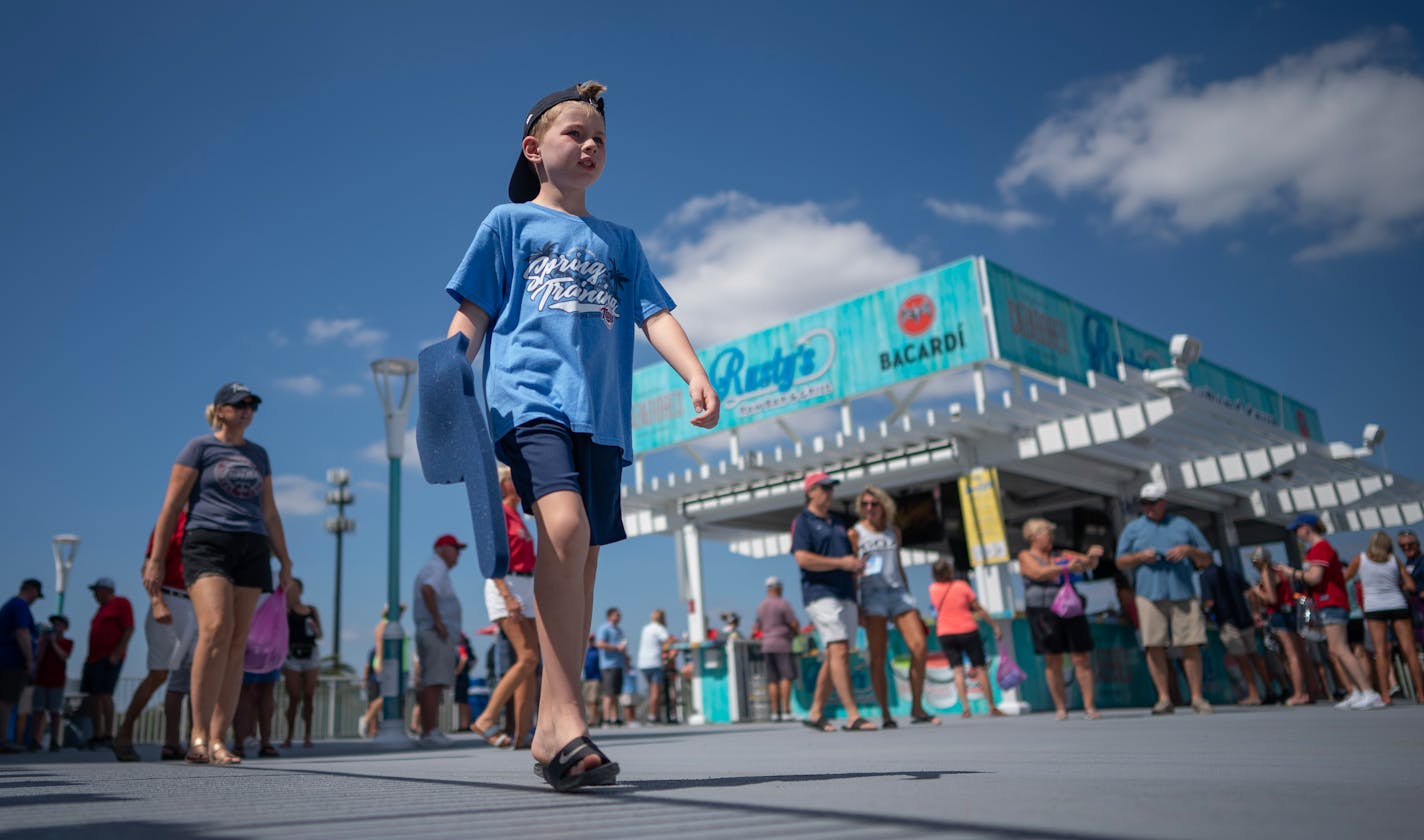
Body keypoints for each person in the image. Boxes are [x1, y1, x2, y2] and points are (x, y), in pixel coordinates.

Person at [441, 80, 719, 791]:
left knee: (583, 560)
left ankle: (552, 728)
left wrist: (694, 372)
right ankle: (566, 719)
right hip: (530, 401)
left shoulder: (620, 241)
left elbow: (654, 314)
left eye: (599, 138)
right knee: (562, 529)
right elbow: (474, 310)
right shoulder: (509, 223)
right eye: (576, 134)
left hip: (602, 417)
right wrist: (449, 371)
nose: (590, 146)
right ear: (535, 149)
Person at [145, 381, 294, 765]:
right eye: (238, 404)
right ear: (220, 410)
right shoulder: (199, 448)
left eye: (251, 405)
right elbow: (172, 504)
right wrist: (157, 559)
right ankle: (196, 736)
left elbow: (270, 512)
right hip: (207, 541)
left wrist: (286, 562)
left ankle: (217, 739)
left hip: (252, 545)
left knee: (236, 641)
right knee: (215, 628)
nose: (246, 410)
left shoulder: (259, 455)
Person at [1114, 482, 1214, 715]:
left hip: (1183, 592)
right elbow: (1120, 561)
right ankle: (1163, 698)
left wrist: (1188, 551)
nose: (1148, 508)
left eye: (1152, 503)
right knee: (1153, 645)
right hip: (1148, 594)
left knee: (1190, 644)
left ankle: (1197, 697)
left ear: (1163, 503)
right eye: (1144, 503)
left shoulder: (1183, 526)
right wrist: (1139, 556)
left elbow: (1207, 559)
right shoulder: (1133, 528)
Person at [793, 471, 875, 732]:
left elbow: (848, 561)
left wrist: (854, 573)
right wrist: (842, 563)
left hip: (846, 595)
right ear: (810, 491)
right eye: (824, 487)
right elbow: (803, 559)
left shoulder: (838, 523)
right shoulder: (803, 522)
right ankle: (853, 715)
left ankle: (815, 712)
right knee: (838, 650)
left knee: (834, 655)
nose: (829, 492)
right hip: (820, 594)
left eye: (831, 487)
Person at [1275, 513, 1383, 710]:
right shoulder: (1314, 550)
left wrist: (1293, 573)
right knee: (1335, 650)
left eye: (1298, 529)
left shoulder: (1320, 548)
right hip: (1325, 603)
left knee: (1341, 648)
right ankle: (1357, 691)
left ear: (1306, 528)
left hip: (1332, 602)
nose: (1297, 534)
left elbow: (1315, 577)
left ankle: (1368, 691)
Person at [114, 512, 198, 761]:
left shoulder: (210, 519)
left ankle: (197, 741)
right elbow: (149, 564)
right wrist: (156, 601)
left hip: (199, 602)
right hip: (170, 600)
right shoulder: (172, 520)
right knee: (159, 674)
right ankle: (124, 732)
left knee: (200, 676)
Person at [850, 485, 936, 727]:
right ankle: (886, 713)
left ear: (884, 505)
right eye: (864, 504)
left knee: (919, 646)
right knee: (878, 656)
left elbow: (898, 565)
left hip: (897, 591)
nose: (869, 508)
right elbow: (853, 570)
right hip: (872, 593)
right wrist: (857, 604)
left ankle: (917, 707)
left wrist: (910, 597)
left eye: (873, 504)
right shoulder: (855, 533)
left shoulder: (893, 532)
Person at [471, 465, 540, 750]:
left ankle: (523, 734)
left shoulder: (520, 516)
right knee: (528, 657)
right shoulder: (498, 513)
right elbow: (492, 558)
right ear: (503, 483)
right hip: (506, 584)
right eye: (513, 476)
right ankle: (486, 718)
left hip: (525, 584)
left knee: (531, 664)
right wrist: (507, 595)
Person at [1019, 518, 1103, 720]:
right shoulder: (1025, 556)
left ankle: (1089, 706)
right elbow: (1038, 573)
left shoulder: (1061, 554)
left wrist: (1092, 556)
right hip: (1043, 610)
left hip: (1070, 609)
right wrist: (1066, 568)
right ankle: (1060, 707)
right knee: (1052, 658)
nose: (1051, 537)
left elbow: (1085, 564)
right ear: (1033, 536)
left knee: (1080, 656)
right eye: (1047, 533)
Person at [1344, 531, 1424, 705]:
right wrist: (1396, 582)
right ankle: (1422, 693)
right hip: (1397, 603)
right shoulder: (1395, 560)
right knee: (1410, 650)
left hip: (1375, 607)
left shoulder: (1361, 559)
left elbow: (1345, 578)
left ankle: (1386, 695)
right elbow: (1411, 586)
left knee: (1381, 652)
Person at [927, 560, 1004, 719]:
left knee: (957, 670)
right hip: (967, 629)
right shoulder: (961, 586)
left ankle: (965, 707)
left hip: (945, 632)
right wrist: (994, 625)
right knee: (980, 668)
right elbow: (978, 608)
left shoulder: (933, 589)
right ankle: (991, 706)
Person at [413, 534, 464, 748]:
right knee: (434, 683)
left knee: (432, 682)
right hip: (435, 633)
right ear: (442, 549)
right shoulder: (438, 568)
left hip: (432, 631)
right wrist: (439, 621)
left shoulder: (434, 567)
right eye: (455, 549)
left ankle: (429, 730)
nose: (458, 554)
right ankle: (429, 731)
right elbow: (427, 589)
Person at [1199, 559, 1270, 706]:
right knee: (1255, 656)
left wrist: (1208, 616)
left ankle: (1253, 693)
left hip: (1228, 623)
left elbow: (1209, 603)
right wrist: (1255, 612)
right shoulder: (1232, 570)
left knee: (1242, 659)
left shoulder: (1205, 576)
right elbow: (1249, 592)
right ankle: (1270, 690)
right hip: (1245, 619)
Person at [1247, 547, 1313, 705]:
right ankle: (1312, 691)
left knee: (1291, 656)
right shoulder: (1280, 570)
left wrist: (1257, 591)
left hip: (1278, 615)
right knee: (1301, 654)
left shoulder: (1266, 573)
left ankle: (1298, 693)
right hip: (1291, 613)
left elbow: (1272, 599)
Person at [81, 577, 134, 747]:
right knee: (93, 696)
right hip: (93, 659)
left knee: (105, 694)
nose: (95, 595)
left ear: (106, 590)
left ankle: (108, 734)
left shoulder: (120, 603)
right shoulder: (101, 609)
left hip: (109, 658)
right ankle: (96, 734)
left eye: (97, 590)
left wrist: (117, 653)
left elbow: (129, 627)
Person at [0, 579, 42, 753]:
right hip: (11, 661)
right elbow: (22, 631)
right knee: (6, 701)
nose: (36, 599)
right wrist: (30, 659)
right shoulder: (20, 605)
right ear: (31, 590)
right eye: (37, 595)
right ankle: (2, 740)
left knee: (6, 701)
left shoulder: (11, 604)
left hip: (6, 659)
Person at [281, 578, 322, 748]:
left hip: (310, 653)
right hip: (292, 655)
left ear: (301, 590)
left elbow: (320, 634)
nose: (292, 591)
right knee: (294, 696)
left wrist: (314, 628)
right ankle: (289, 736)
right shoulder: (286, 611)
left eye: (295, 588)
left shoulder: (311, 610)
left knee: (309, 695)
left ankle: (307, 736)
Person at [753, 576, 800, 723]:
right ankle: (786, 711)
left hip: (766, 645)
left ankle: (775, 713)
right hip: (782, 644)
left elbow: (755, 628)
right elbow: (793, 623)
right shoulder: (783, 604)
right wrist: (796, 632)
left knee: (772, 679)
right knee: (785, 677)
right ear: (779, 587)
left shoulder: (761, 606)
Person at [32, 614, 72, 751]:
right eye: (54, 624)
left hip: (57, 682)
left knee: (55, 712)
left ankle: (54, 741)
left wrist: (54, 643)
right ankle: (35, 740)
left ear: (65, 627)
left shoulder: (67, 642)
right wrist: (43, 642)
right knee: (38, 711)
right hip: (41, 680)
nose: (56, 627)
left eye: (59, 624)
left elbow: (64, 657)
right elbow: (38, 658)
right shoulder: (44, 641)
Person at [594, 608, 629, 726]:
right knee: (608, 693)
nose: (619, 617)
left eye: (619, 615)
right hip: (608, 665)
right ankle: (606, 718)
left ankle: (614, 718)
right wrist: (615, 648)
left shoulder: (619, 630)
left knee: (615, 693)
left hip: (618, 664)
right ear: (609, 616)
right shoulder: (604, 628)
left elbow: (623, 647)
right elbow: (599, 643)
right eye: (616, 615)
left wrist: (626, 663)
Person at [636, 610, 671, 724]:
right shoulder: (659, 628)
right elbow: (668, 640)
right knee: (656, 692)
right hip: (655, 662)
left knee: (652, 691)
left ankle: (654, 714)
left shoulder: (646, 628)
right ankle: (653, 716)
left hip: (643, 663)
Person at [455, 633, 476, 731]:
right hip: (465, 676)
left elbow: (464, 658)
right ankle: (466, 723)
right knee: (464, 701)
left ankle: (464, 725)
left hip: (460, 677)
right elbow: (473, 661)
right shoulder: (468, 647)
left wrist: (457, 671)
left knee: (461, 702)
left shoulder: (461, 647)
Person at [582, 635, 602, 727]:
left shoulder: (598, 651)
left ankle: (592, 720)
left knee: (593, 700)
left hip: (596, 678)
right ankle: (598, 717)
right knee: (587, 701)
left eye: (592, 640)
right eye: (589, 640)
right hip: (586, 679)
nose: (590, 641)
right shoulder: (585, 651)